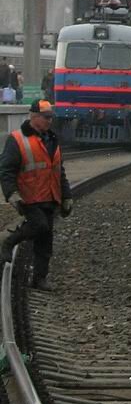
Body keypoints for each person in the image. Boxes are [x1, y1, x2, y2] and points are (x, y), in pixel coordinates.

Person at [0, 100, 73, 291]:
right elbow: (6, 170)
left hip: (50, 196)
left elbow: (59, 171)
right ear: (34, 117)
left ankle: (39, 279)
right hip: (29, 197)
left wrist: (66, 196)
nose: (50, 121)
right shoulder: (17, 140)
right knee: (39, 225)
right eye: (46, 117)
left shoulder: (52, 140)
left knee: (45, 241)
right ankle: (9, 241)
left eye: (51, 117)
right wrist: (12, 195)